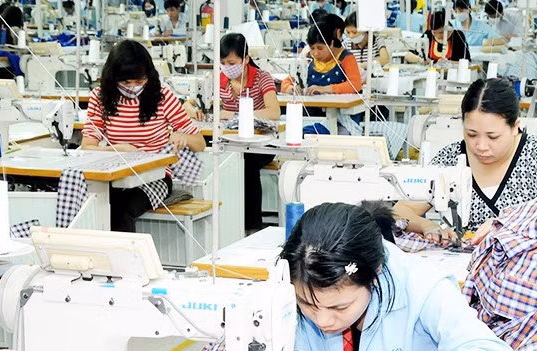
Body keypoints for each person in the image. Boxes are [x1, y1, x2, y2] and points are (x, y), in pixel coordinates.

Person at [279, 201, 516, 351]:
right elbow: (295, 324)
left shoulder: (422, 286)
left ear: (375, 275)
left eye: (340, 307)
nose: (322, 320)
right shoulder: (306, 276)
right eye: (307, 304)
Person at [394, 78, 537, 245]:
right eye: (471, 134)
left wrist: (509, 223)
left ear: (515, 126)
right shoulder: (450, 158)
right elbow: (399, 211)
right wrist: (427, 226)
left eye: (493, 136)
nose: (481, 146)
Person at [81, 40, 206, 232]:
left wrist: (183, 137)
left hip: (155, 177)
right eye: (125, 82)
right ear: (112, 78)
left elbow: (200, 143)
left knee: (121, 210)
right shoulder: (100, 98)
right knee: (88, 206)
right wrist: (115, 150)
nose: (133, 87)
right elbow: (87, 147)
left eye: (139, 81)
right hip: (116, 176)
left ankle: (127, 261)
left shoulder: (162, 97)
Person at [186, 33, 280, 234]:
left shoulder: (262, 78)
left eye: (231, 62)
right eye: (222, 62)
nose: (227, 67)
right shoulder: (218, 80)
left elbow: (274, 112)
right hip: (228, 140)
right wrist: (193, 109)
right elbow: (190, 101)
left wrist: (234, 114)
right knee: (211, 161)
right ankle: (222, 224)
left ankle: (251, 226)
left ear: (246, 59)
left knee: (244, 165)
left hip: (260, 142)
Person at [281, 14, 362, 95]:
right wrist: (291, 88)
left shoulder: (345, 58)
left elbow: (355, 85)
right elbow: (287, 82)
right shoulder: (308, 59)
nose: (316, 53)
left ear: (331, 44)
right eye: (312, 48)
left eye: (320, 48)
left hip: (336, 106)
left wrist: (324, 89)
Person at [404, 9, 470, 63]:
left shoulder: (458, 36)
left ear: (448, 28)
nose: (437, 35)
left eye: (441, 32)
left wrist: (448, 63)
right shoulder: (428, 35)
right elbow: (408, 55)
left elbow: (467, 62)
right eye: (434, 32)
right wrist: (420, 60)